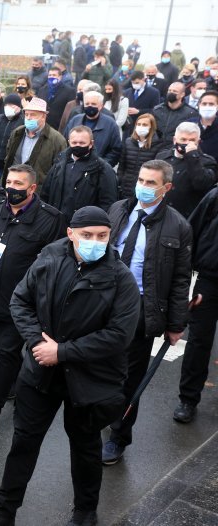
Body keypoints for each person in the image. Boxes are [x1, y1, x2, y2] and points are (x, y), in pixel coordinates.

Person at [0, 206, 141, 526]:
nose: (96, 241)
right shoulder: (49, 259)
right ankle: (3, 511)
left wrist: (62, 352)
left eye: (102, 236)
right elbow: (20, 301)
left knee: (85, 447)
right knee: (23, 442)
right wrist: (38, 344)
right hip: (41, 373)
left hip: (90, 379)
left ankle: (84, 513)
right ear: (70, 234)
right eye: (87, 235)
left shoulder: (121, 278)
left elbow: (119, 336)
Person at [101, 160, 192, 466]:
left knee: (129, 377)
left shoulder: (178, 226)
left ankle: (118, 436)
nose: (143, 186)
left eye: (151, 183)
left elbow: (181, 279)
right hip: (105, 299)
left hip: (140, 307)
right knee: (99, 365)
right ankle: (99, 415)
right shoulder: (118, 210)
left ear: (166, 188)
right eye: (141, 179)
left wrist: (177, 323)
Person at [0, 164, 66, 435]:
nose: (11, 188)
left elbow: (54, 266)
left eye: (18, 184)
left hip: (20, 303)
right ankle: (11, 382)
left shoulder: (50, 219)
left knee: (7, 353)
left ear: (32, 188)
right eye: (8, 182)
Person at [174, 185, 218, 423]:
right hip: (210, 280)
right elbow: (191, 232)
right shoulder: (215, 196)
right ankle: (188, 399)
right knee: (199, 340)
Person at [40, 126, 119, 223]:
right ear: (69, 142)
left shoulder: (102, 169)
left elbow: (108, 203)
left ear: (91, 144)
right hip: (55, 223)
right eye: (74, 143)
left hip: (83, 225)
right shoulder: (59, 163)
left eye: (82, 143)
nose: (77, 145)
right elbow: (45, 194)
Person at [155, 121, 218, 218]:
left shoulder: (207, 162)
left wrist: (192, 156)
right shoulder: (162, 156)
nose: (187, 143)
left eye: (192, 140)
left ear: (198, 142)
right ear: (175, 140)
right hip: (161, 214)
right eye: (183, 139)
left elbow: (202, 184)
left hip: (188, 217)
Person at [3, 97, 68, 188]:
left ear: (43, 116)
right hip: (13, 188)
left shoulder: (57, 140)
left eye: (33, 115)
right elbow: (8, 157)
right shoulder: (17, 133)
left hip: (38, 192)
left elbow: (59, 172)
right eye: (26, 115)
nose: (29, 118)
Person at [64, 91, 123, 166]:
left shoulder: (110, 124)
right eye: (87, 104)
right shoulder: (75, 121)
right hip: (74, 166)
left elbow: (116, 150)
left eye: (93, 104)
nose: (90, 106)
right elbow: (65, 143)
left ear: (101, 106)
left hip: (99, 170)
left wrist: (102, 165)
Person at [117, 114, 166, 198]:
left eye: (145, 125)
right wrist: (121, 182)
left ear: (152, 127)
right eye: (138, 124)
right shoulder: (128, 142)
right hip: (125, 188)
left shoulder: (158, 145)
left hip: (145, 189)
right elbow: (121, 166)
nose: (141, 127)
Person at [0, 93, 24, 180]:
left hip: (11, 164)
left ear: (19, 107)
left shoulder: (23, 121)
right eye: (7, 105)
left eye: (12, 105)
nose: (8, 107)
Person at [36, 66, 76, 130]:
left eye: (54, 75)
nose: (51, 77)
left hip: (59, 126)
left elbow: (70, 110)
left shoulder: (69, 91)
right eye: (50, 75)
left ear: (60, 77)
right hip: (43, 125)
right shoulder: (42, 90)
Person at [192, 89, 218, 159]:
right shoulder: (190, 124)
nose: (207, 106)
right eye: (204, 104)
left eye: (211, 104)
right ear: (199, 105)